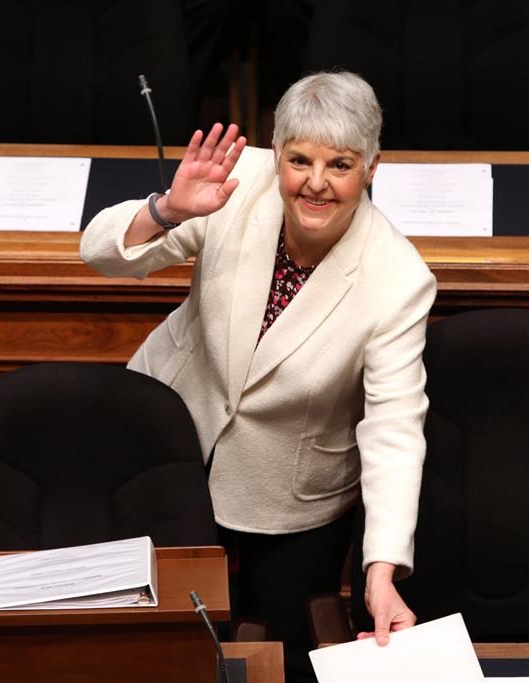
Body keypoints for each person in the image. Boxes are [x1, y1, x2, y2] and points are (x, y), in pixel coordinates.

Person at [80, 71, 436, 681]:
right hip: (169, 444)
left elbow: (395, 431)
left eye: (340, 165)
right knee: (154, 645)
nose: (316, 183)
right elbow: (100, 255)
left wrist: (381, 573)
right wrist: (166, 210)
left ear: (372, 167)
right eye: (299, 160)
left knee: (280, 656)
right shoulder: (237, 183)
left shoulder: (399, 280)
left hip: (292, 491)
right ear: (278, 154)